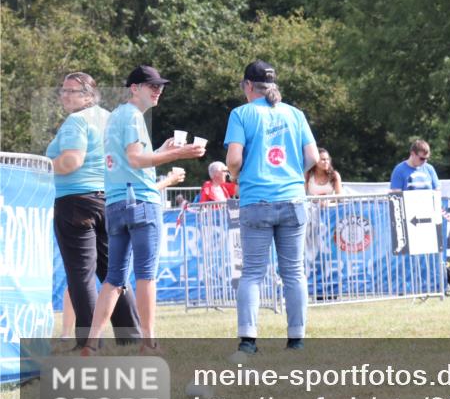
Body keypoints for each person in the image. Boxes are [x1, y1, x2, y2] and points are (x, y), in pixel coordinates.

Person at [81, 66, 205, 355]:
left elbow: (129, 161)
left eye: (160, 86)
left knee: (114, 278)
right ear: (134, 88)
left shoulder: (116, 116)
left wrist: (161, 149)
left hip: (116, 203)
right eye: (151, 85)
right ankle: (148, 343)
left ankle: (91, 344)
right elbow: (136, 160)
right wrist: (178, 153)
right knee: (146, 275)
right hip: (141, 203)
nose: (158, 90)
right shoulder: (134, 117)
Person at [226, 60, 319, 355]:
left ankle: (248, 340)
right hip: (293, 199)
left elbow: (234, 160)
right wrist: (292, 174)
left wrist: (236, 176)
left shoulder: (241, 114)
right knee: (293, 272)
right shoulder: (294, 113)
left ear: (248, 86)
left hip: (256, 200)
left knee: (253, 272)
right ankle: (296, 340)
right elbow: (313, 157)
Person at [46, 72, 140, 350]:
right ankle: (131, 337)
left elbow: (71, 161)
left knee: (81, 274)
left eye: (72, 91)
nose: (65, 96)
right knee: (114, 272)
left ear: (88, 95)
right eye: (63, 90)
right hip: (108, 200)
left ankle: (89, 342)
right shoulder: (110, 118)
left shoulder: (76, 121)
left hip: (75, 202)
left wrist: (41, 166)